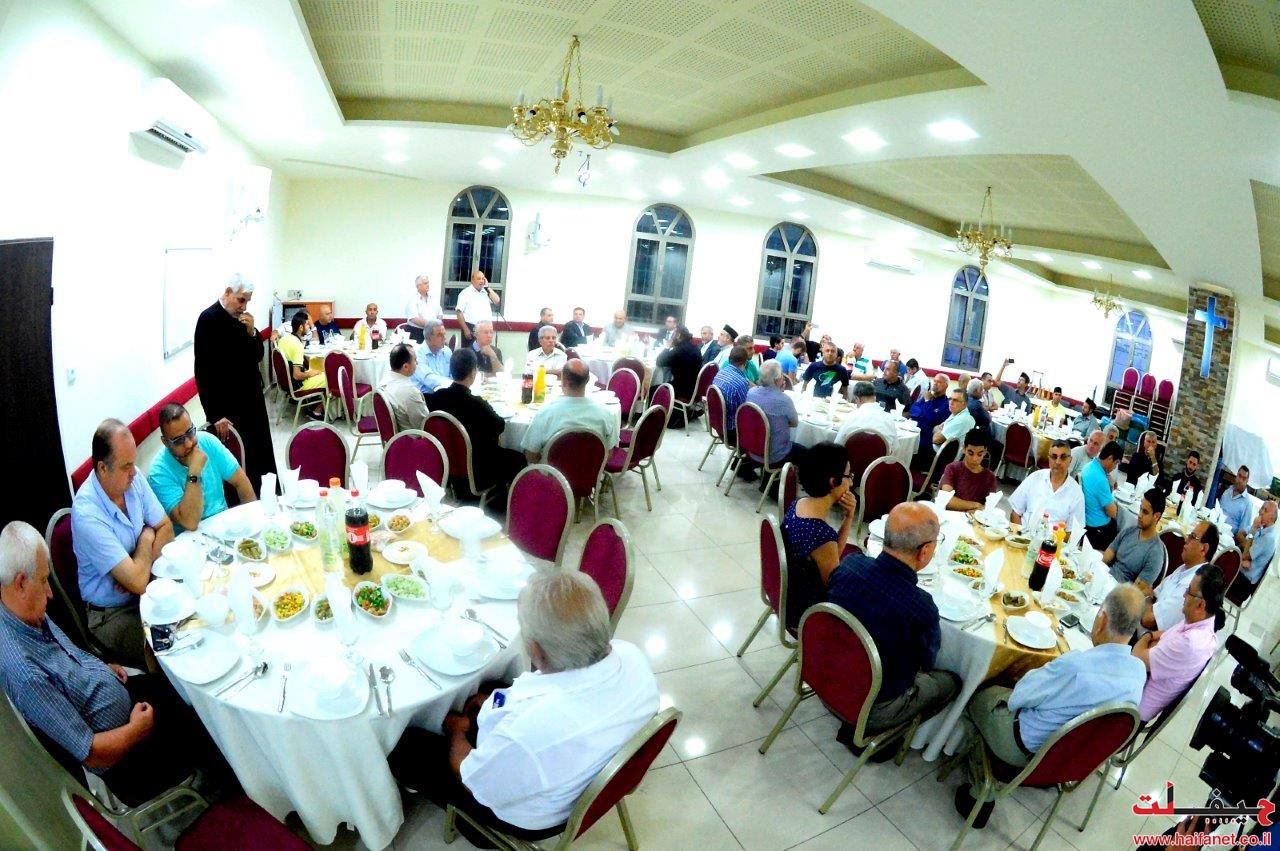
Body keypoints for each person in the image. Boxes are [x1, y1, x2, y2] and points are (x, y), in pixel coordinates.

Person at [387, 570, 658, 844]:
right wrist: (493, 704)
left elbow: (470, 777)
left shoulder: (528, 731)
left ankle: (475, 829)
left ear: (535, 650)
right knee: (491, 686)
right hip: (582, 768)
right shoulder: (632, 656)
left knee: (404, 747)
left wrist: (458, 730)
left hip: (535, 817)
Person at [0, 522, 233, 806]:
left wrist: (100, 669)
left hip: (124, 699)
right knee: (204, 727)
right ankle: (232, 801)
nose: (50, 592)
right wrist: (137, 729)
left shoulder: (19, 608)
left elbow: (65, 662)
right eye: (44, 580)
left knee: (186, 688)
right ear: (21, 583)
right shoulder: (25, 672)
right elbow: (91, 753)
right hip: (128, 757)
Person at [958, 585, 1146, 823]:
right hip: (1067, 762)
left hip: (1020, 749)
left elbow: (1019, 696)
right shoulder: (1138, 672)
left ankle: (980, 787)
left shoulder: (1075, 665)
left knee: (978, 688)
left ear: (1102, 620)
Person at [826, 503, 960, 736]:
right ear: (925, 551)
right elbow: (927, 663)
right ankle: (894, 735)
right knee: (951, 682)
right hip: (872, 707)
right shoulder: (921, 607)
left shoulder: (850, 564)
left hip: (825, 676)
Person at [71, 420, 174, 669]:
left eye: (133, 463)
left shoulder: (131, 478)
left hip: (145, 587)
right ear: (102, 468)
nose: (134, 472)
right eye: (126, 466)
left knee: (190, 615)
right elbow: (137, 581)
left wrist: (139, 571)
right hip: (110, 612)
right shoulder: (87, 514)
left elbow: (166, 528)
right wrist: (147, 537)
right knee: (166, 643)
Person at [193, 274, 277, 493]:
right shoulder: (208, 319)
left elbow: (257, 356)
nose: (244, 306)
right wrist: (214, 415)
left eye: (247, 301)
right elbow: (202, 372)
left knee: (260, 456)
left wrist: (253, 333)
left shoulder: (242, 320)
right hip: (228, 409)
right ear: (228, 292)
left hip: (253, 402)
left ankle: (264, 497)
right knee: (237, 461)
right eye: (241, 300)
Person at [428, 349, 526, 498]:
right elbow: (500, 425)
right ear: (474, 372)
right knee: (518, 459)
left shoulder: (436, 397)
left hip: (446, 463)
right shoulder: (476, 404)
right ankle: (509, 501)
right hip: (478, 469)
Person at [1133, 564, 1223, 721]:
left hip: (1131, 709)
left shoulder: (1191, 642)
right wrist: (1152, 642)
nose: (1184, 595)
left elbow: (1137, 657)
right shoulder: (1201, 622)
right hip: (1139, 680)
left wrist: (1146, 636)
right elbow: (1164, 635)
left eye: (1189, 592)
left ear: (1201, 604)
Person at [147, 403, 256, 533]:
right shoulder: (158, 472)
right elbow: (190, 522)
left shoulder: (207, 441)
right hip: (190, 538)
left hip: (222, 525)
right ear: (165, 442)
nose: (188, 444)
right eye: (178, 440)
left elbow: (241, 482)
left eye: (190, 432)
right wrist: (194, 471)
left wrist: (252, 525)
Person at [781, 443, 856, 629]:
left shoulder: (798, 504)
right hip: (806, 612)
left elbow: (830, 555)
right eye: (848, 476)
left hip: (786, 592)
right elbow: (833, 585)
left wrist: (849, 517)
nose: (851, 483)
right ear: (833, 481)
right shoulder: (821, 535)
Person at [520, 359, 619, 461]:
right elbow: (609, 454)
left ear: (563, 381)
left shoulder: (545, 413)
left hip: (551, 471)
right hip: (591, 470)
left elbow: (531, 456)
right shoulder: (606, 413)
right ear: (588, 380)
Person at [1138, 520, 1218, 632]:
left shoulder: (1192, 585)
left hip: (1148, 637)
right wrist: (1150, 600)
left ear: (1203, 549)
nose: (1186, 540)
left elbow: (1148, 620)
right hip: (1140, 621)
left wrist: (1148, 600)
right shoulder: (1185, 568)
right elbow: (1152, 593)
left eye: (1192, 537)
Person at [1008, 440, 1085, 530]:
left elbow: (1072, 531)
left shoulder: (1076, 493)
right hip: (1023, 533)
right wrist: (1018, 534)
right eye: (1054, 457)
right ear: (1049, 459)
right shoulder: (1035, 478)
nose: (1058, 462)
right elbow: (1015, 512)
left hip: (1052, 538)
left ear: (1070, 460)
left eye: (1063, 457)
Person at [745, 361, 804, 472]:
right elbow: (794, 423)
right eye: (782, 374)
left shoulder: (751, 393)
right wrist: (780, 393)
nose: (784, 377)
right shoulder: (784, 400)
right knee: (806, 452)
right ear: (777, 380)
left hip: (752, 448)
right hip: (775, 456)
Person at [1104, 488, 1167, 586]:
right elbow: (1106, 558)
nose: (1139, 515)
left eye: (1145, 512)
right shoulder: (1129, 531)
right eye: (1140, 509)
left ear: (1156, 516)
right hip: (1105, 577)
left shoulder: (1155, 553)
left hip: (1121, 591)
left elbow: (1136, 591)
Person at [276, 312, 326, 419]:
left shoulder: (283, 339)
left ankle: (314, 403)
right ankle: (316, 411)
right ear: (301, 327)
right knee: (330, 378)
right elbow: (297, 375)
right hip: (297, 386)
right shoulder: (297, 345)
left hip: (286, 384)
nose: (309, 327)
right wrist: (311, 373)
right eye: (307, 324)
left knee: (316, 371)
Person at [938, 430, 998, 512]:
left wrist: (978, 509)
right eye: (970, 453)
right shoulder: (952, 468)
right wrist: (976, 505)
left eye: (979, 454)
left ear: (985, 452)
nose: (974, 459)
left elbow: (988, 508)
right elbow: (947, 500)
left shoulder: (990, 477)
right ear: (964, 449)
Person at [655, 325, 702, 427]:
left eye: (674, 335)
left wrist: (667, 347)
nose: (672, 338)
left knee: (654, 389)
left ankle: (656, 417)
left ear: (679, 335)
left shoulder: (679, 350)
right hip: (693, 387)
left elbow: (659, 361)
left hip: (682, 389)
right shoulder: (695, 348)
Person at [1082, 440, 1124, 549]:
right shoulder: (1101, 479)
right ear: (1110, 458)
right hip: (1096, 529)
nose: (1115, 467)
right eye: (1116, 463)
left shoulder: (1089, 465)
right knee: (1121, 527)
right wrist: (1110, 487)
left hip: (1085, 518)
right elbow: (1112, 513)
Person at [381, 343, 431, 434]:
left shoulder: (383, 381)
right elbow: (425, 426)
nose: (417, 363)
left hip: (395, 436)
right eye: (415, 360)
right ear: (406, 367)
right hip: (413, 438)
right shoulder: (410, 392)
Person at [835, 381, 900, 449]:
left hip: (851, 455)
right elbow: (895, 447)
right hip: (880, 455)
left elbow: (838, 444)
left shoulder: (851, 416)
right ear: (875, 397)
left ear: (857, 399)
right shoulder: (889, 418)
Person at [711, 345, 752, 452]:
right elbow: (745, 410)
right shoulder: (740, 383)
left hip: (718, 425)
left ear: (729, 359)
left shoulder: (720, 373)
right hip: (732, 433)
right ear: (745, 363)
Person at [1237, 499, 1277, 599]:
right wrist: (1248, 544)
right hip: (1241, 571)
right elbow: (1239, 534)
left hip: (1243, 582)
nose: (1260, 511)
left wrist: (1253, 530)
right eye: (1261, 508)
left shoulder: (1268, 537)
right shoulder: (1262, 528)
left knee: (1217, 565)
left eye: (1265, 510)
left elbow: (1245, 555)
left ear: (1272, 517)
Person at [909, 373, 951, 459]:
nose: (935, 383)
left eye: (939, 382)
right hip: (913, 435)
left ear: (946, 385)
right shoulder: (926, 397)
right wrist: (924, 413)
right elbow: (912, 411)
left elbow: (931, 419)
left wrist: (927, 402)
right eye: (934, 381)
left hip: (926, 442)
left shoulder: (946, 404)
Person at [455, 269, 499, 343]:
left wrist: (488, 287)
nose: (481, 281)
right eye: (479, 279)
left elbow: (496, 300)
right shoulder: (465, 293)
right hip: (471, 328)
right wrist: (465, 329)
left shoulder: (486, 292)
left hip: (486, 329)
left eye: (483, 279)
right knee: (471, 350)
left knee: (485, 350)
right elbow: (459, 312)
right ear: (472, 280)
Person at [412, 318, 453, 394]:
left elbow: (453, 374)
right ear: (429, 338)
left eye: (444, 334)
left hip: (446, 393)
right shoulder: (417, 353)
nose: (444, 338)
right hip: (425, 396)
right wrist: (452, 384)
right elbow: (427, 378)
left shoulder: (447, 351)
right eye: (440, 335)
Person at [1218, 465, 1253, 542]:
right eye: (1239, 476)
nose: (1240, 480)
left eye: (1244, 478)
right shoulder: (1227, 492)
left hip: (1228, 539)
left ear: (1247, 481)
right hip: (1216, 529)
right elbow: (1218, 511)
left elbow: (1242, 533)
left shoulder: (1248, 504)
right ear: (1236, 475)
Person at [404, 274, 437, 343]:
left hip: (432, 332)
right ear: (418, 286)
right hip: (416, 333)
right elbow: (414, 319)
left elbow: (439, 314)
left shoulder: (433, 299)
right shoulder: (413, 300)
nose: (428, 285)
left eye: (428, 283)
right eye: (425, 283)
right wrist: (432, 326)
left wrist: (437, 326)